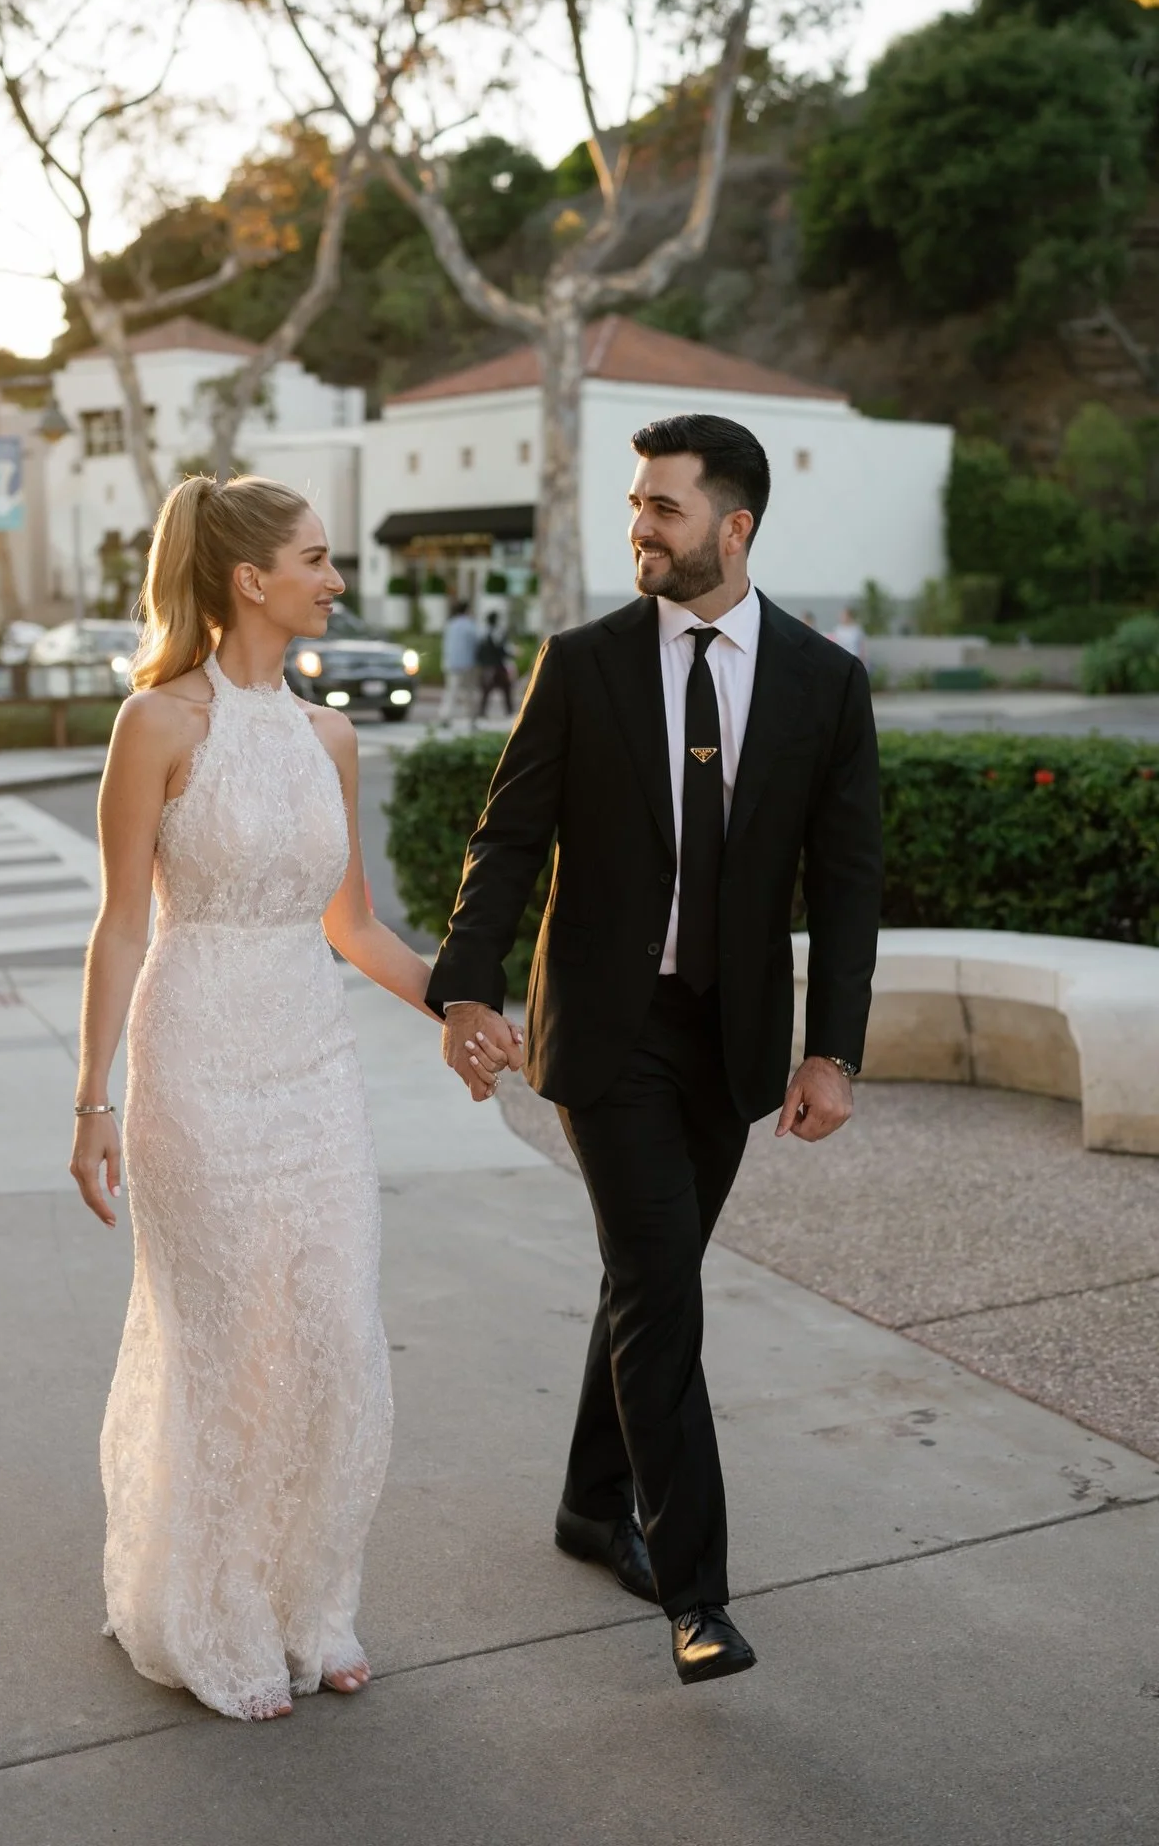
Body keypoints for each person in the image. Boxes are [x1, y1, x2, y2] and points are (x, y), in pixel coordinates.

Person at [428, 414, 882, 1688]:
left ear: (734, 529)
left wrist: (831, 1050)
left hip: (730, 1046)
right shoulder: (582, 665)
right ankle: (696, 1592)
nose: (641, 526)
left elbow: (847, 886)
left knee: (649, 1274)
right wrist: (465, 988)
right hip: (607, 1035)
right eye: (636, 504)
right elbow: (507, 839)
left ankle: (588, 1502)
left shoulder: (823, 684)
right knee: (661, 1288)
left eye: (666, 509)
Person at [68, 474, 506, 1722]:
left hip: (315, 1076)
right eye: (317, 559)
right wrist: (91, 1101)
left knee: (330, 1340)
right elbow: (115, 928)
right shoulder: (157, 723)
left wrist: (458, 1011)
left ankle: (313, 1603)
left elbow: (355, 925)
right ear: (248, 578)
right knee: (229, 1347)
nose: (336, 577)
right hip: (196, 1065)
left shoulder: (331, 737)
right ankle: (211, 1609)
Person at [440, 598, 480, 729]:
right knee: (470, 693)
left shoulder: (450, 624)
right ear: (467, 610)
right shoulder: (470, 625)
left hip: (452, 663)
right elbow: (477, 643)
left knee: (451, 692)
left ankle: (445, 717)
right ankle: (472, 720)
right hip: (468, 663)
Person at [476, 612, 514, 718]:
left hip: (486, 666)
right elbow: (501, 649)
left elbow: (479, 650)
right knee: (506, 688)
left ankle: (482, 711)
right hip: (497, 665)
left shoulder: (482, 632)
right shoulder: (497, 632)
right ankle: (509, 711)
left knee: (486, 690)